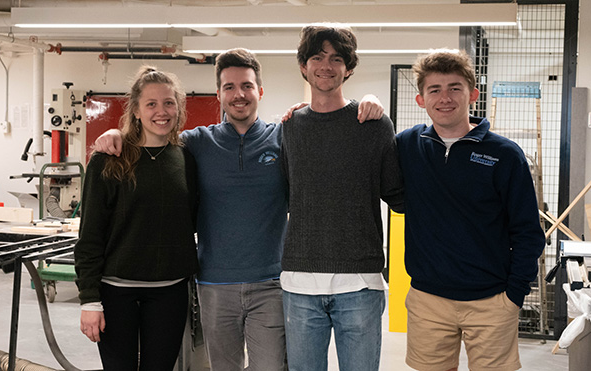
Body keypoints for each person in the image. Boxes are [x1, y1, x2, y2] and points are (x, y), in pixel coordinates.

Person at [92, 48, 385, 371]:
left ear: (259, 91)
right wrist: (116, 133)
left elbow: (325, 121)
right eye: (229, 87)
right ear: (218, 95)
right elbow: (155, 138)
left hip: (271, 284)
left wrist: (368, 100)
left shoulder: (285, 135)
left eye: (246, 85)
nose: (238, 94)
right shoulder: (196, 144)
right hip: (215, 286)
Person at [395, 49, 545, 371]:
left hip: (492, 301)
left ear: (473, 95)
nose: (444, 98)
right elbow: (363, 141)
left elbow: (528, 233)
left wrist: (513, 296)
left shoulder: (505, 155)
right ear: (421, 99)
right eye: (434, 89)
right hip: (428, 300)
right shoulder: (407, 145)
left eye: (455, 88)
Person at [280, 24, 404, 371]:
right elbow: (286, 192)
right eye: (317, 57)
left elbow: (396, 192)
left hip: (361, 283)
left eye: (337, 58)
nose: (326, 65)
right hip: (299, 283)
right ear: (304, 65)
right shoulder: (289, 127)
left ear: (349, 68)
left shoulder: (375, 125)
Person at [74, 65, 198, 370]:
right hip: (116, 293)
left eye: (169, 103)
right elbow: (90, 235)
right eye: (151, 104)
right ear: (136, 110)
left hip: (170, 292)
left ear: (179, 108)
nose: (162, 111)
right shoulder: (107, 160)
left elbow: (190, 221)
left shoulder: (186, 159)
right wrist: (90, 300)